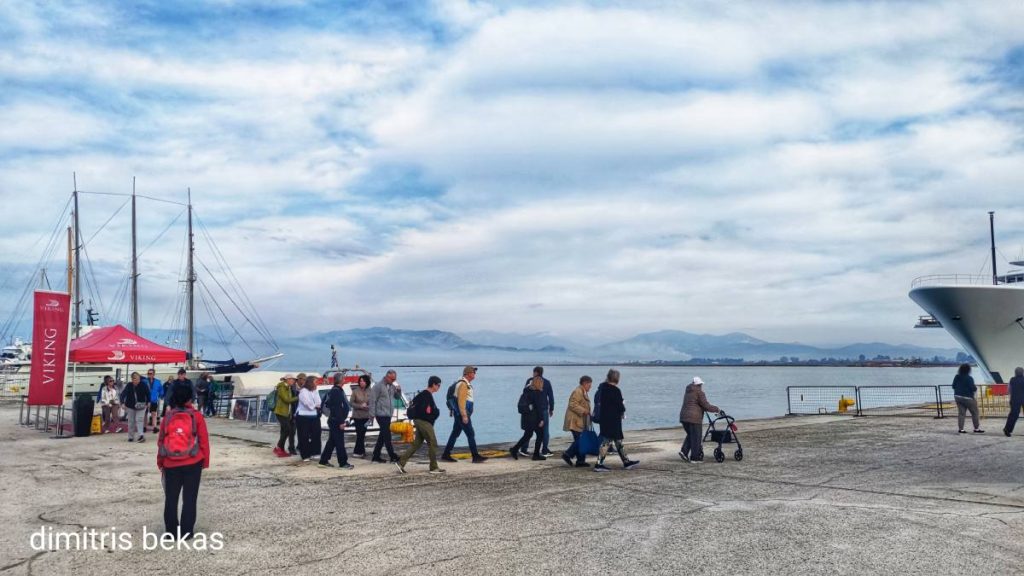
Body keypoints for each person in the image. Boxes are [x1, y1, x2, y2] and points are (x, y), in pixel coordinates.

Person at [158, 381, 210, 540]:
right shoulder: (197, 416)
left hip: (171, 463)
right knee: (190, 498)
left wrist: (161, 462)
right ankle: (187, 531)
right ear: (189, 398)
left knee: (171, 498)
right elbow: (203, 440)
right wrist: (205, 461)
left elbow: (161, 441)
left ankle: (171, 532)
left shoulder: (167, 417)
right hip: (193, 462)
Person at [593, 369, 639, 472]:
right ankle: (599, 464)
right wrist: (623, 410)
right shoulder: (615, 390)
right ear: (617, 378)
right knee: (607, 441)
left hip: (604, 419)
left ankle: (626, 462)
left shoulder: (603, 389)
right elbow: (620, 406)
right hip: (613, 420)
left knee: (617, 441)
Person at [397, 376, 445, 474]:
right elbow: (425, 411)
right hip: (424, 422)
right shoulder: (426, 395)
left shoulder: (422, 394)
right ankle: (433, 467)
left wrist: (432, 413)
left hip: (418, 421)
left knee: (417, 444)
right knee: (433, 443)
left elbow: (419, 408)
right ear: (433, 384)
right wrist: (433, 414)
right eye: (438, 385)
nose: (439, 387)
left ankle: (401, 462)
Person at [442, 366, 487, 463]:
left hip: (459, 413)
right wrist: (464, 415)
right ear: (467, 374)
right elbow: (461, 401)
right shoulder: (463, 384)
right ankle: (475, 456)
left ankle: (446, 454)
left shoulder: (464, 383)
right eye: (473, 372)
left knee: (455, 433)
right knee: (470, 433)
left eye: (474, 372)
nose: (474, 373)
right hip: (462, 413)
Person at [679, 376, 720, 463]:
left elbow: (695, 403)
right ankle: (695, 458)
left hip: (683, 417)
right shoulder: (699, 392)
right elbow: (706, 405)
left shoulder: (688, 391)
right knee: (696, 438)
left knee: (691, 435)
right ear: (699, 384)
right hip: (694, 418)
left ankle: (684, 451)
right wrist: (717, 409)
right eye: (701, 384)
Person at [319, 374, 354, 469]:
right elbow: (337, 408)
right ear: (341, 380)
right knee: (339, 442)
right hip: (336, 421)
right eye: (344, 379)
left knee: (332, 442)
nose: (345, 380)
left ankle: (323, 460)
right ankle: (343, 463)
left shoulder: (335, 390)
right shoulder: (336, 392)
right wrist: (341, 422)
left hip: (334, 420)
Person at [510, 375, 549, 461]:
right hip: (534, 418)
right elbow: (539, 407)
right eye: (541, 383)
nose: (542, 385)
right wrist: (541, 419)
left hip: (526, 417)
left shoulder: (527, 391)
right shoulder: (537, 393)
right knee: (540, 434)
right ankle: (535, 455)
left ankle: (514, 449)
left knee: (528, 435)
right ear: (538, 383)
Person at [521, 366, 555, 456]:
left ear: (535, 372)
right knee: (545, 430)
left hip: (531, 410)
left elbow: (525, 394)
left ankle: (524, 449)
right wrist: (551, 409)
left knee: (529, 430)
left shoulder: (529, 381)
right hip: (543, 409)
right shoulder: (547, 382)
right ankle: (544, 450)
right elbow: (551, 397)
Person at [369, 370, 402, 463]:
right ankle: (392, 455)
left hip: (388, 414)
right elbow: (372, 400)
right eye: (392, 379)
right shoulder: (378, 386)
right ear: (387, 377)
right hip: (380, 414)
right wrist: (371, 414)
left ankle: (376, 455)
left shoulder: (392, 386)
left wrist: (399, 390)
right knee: (387, 435)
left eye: (395, 379)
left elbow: (397, 397)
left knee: (382, 436)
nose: (393, 380)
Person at [561, 375, 593, 467]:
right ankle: (567, 454)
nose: (590, 387)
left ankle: (580, 461)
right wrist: (584, 411)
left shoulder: (582, 391)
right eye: (589, 385)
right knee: (581, 440)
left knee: (580, 440)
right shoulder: (578, 391)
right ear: (584, 383)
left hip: (578, 421)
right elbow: (572, 404)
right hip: (574, 421)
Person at [295, 375, 322, 461]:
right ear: (310, 382)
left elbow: (319, 402)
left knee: (316, 434)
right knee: (304, 436)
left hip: (314, 415)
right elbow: (307, 404)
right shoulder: (303, 391)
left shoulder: (315, 391)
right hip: (303, 416)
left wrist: (316, 406)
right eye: (315, 382)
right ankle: (305, 455)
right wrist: (315, 406)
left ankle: (315, 452)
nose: (317, 384)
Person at [952, 363, 983, 433]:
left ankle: (961, 429)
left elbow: (953, 386)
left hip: (957, 397)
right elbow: (973, 388)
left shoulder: (957, 377)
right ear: (968, 370)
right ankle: (976, 428)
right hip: (968, 398)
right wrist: (975, 388)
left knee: (961, 413)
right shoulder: (969, 378)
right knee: (975, 412)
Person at [121, 371, 151, 443]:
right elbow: (123, 394)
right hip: (130, 406)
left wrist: (148, 402)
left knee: (139, 420)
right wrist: (122, 403)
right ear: (132, 379)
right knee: (131, 421)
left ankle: (141, 435)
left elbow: (148, 394)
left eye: (138, 379)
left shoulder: (144, 385)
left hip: (141, 406)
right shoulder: (129, 385)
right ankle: (131, 436)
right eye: (136, 379)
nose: (138, 380)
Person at [272, 375, 298, 457]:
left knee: (284, 430)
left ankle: (280, 449)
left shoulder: (288, 387)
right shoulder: (282, 387)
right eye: (293, 380)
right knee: (287, 429)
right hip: (281, 412)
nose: (294, 381)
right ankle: (278, 447)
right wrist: (298, 397)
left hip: (286, 413)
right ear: (288, 380)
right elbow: (287, 400)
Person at [350, 374, 372, 457]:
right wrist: (360, 406)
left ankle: (360, 451)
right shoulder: (355, 391)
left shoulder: (370, 391)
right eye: (360, 381)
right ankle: (358, 452)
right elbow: (351, 403)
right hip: (357, 416)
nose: (361, 382)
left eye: (363, 381)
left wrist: (368, 406)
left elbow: (373, 402)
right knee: (359, 433)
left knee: (362, 434)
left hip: (366, 416)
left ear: (367, 382)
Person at [1004, 367, 1024, 437]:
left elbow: (1009, 390)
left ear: (1015, 372)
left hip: (1014, 399)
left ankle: (1007, 429)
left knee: (1013, 415)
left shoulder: (1012, 379)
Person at [289, 373, 305, 455]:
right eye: (302, 379)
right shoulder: (292, 388)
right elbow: (290, 400)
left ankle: (299, 446)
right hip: (293, 411)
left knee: (301, 431)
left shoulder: (304, 388)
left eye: (305, 379)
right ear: (298, 379)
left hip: (301, 412)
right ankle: (291, 448)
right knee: (292, 431)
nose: (303, 381)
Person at [146, 369, 163, 433]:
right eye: (148, 373)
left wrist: (161, 395)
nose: (149, 375)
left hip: (154, 400)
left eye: (151, 373)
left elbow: (161, 389)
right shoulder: (144, 381)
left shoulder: (158, 381)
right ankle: (144, 427)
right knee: (145, 414)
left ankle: (154, 427)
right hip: (146, 400)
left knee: (154, 413)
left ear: (154, 374)